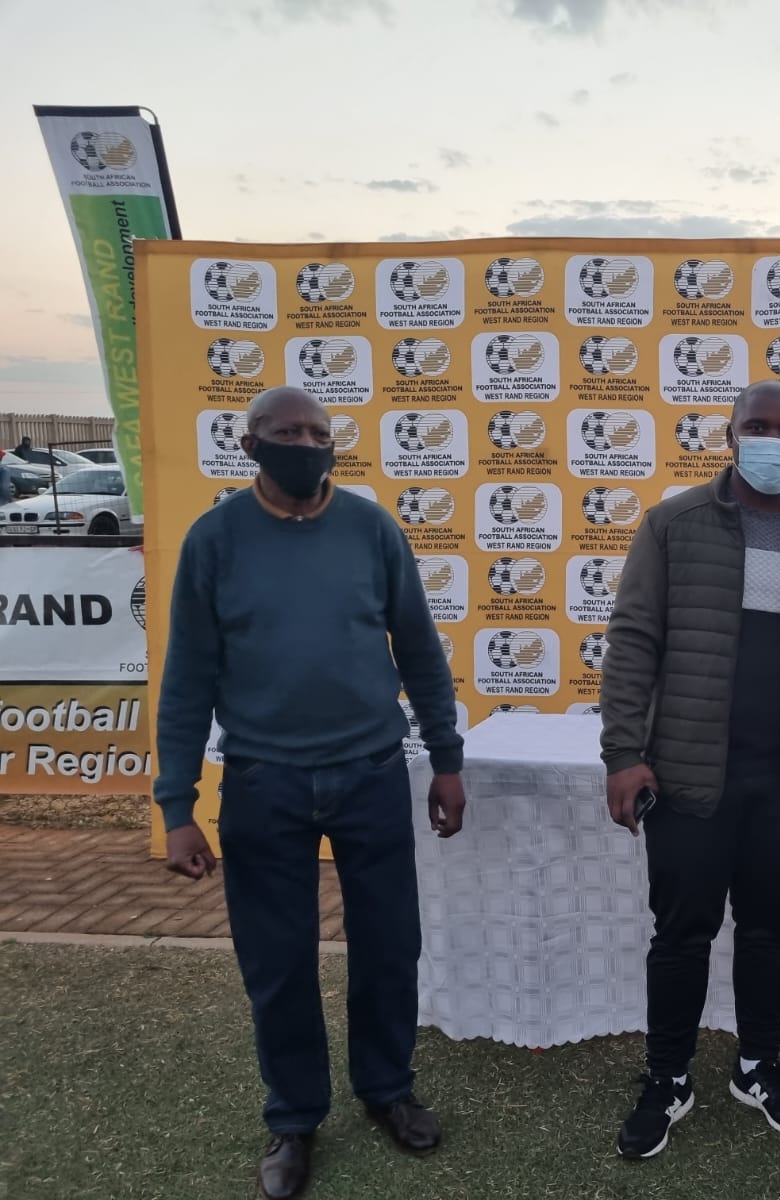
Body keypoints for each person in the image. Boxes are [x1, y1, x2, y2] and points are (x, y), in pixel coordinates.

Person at [154, 386, 466, 1200]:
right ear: (250, 445)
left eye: (319, 434)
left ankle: (387, 1090)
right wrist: (177, 806)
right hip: (265, 782)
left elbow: (419, 650)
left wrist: (446, 758)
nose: (306, 445)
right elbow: (187, 678)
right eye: (286, 433)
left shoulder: (371, 529)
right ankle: (293, 1118)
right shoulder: (216, 539)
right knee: (279, 962)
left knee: (390, 947)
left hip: (371, 773)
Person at [600, 379, 780, 1160]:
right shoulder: (672, 525)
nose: (773, 440)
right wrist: (623, 755)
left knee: (768, 931)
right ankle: (668, 1077)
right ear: (729, 437)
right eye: (757, 426)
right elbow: (633, 644)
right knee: (680, 934)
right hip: (688, 778)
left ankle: (757, 1064)